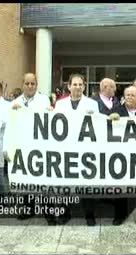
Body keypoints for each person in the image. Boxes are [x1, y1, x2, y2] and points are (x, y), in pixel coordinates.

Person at [53, 74, 99, 225]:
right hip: (65, 149)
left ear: (84, 87)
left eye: (80, 85)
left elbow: (98, 127)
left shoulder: (92, 104)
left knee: (87, 184)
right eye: (75, 84)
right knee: (65, 184)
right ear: (69, 86)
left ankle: (89, 215)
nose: (78, 87)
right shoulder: (60, 105)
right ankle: (65, 213)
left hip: (85, 150)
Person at [9, 73, 51, 221]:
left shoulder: (44, 100)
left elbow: (48, 120)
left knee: (43, 180)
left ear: (36, 85)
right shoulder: (14, 102)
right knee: (26, 180)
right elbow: (10, 127)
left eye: (33, 83)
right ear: (23, 84)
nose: (30, 86)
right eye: (27, 83)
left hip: (40, 146)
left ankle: (48, 212)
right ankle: (29, 209)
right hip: (23, 147)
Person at [110, 86, 136, 227]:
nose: (129, 97)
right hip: (121, 155)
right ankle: (119, 216)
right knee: (121, 188)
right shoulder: (115, 111)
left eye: (132, 95)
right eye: (127, 94)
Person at [87, 78, 121, 226]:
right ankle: (90, 215)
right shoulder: (91, 102)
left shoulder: (117, 103)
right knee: (92, 182)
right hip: (95, 148)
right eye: (113, 87)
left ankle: (118, 215)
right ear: (105, 87)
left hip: (114, 148)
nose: (115, 90)